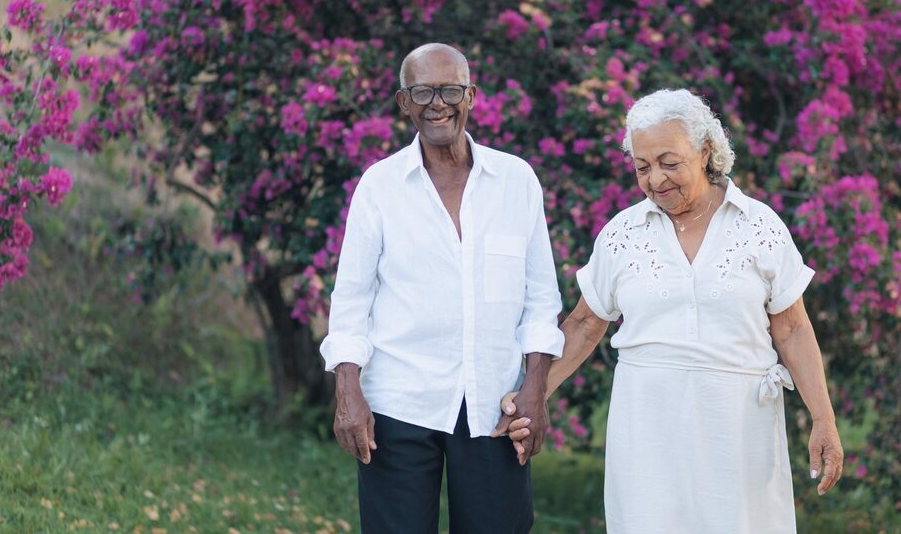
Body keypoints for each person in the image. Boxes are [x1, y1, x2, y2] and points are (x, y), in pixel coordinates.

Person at [495, 88, 844, 533]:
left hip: (738, 427)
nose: (656, 179)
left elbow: (792, 329)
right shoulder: (623, 233)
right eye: (642, 167)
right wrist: (532, 393)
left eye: (669, 162)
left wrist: (823, 419)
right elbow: (584, 323)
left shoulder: (759, 226)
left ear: (705, 151)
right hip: (647, 425)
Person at [320, 43, 564, 533]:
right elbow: (351, 300)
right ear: (403, 102)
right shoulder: (380, 186)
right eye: (422, 92)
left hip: (495, 405)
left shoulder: (516, 180)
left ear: (471, 96)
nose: (438, 104)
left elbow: (541, 299)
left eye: (451, 90)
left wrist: (535, 391)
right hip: (399, 403)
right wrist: (347, 389)